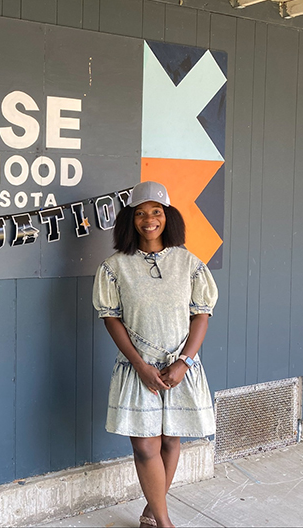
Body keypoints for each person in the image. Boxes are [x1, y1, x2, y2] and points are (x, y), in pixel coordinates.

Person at [92, 181, 217, 528]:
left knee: (170, 442)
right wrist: (139, 365)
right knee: (146, 447)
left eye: (156, 211)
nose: (149, 219)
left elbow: (201, 315)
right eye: (141, 213)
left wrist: (184, 362)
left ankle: (152, 510)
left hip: (180, 367)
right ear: (130, 220)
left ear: (168, 216)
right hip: (139, 369)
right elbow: (110, 317)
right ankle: (164, 522)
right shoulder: (115, 267)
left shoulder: (188, 263)